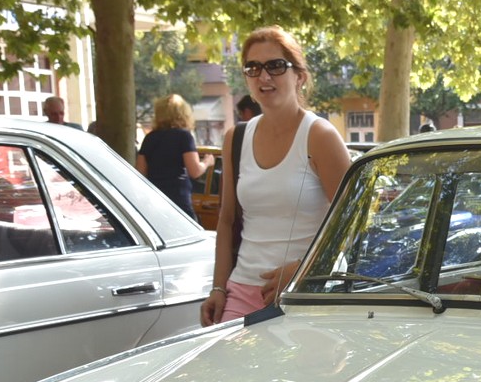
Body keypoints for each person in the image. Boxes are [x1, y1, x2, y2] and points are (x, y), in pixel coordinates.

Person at [200, 27, 353, 326]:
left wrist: (301, 270)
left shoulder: (320, 135)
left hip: (308, 292)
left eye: (275, 66)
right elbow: (227, 220)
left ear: (299, 76)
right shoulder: (236, 138)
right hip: (242, 290)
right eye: (253, 68)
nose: (264, 77)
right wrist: (219, 288)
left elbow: (350, 225)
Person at [136, 94, 214, 220]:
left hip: (154, 200)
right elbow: (195, 171)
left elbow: (140, 172)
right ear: (183, 113)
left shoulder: (150, 138)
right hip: (179, 199)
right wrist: (206, 162)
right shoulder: (184, 136)